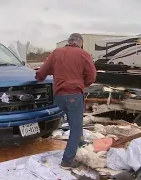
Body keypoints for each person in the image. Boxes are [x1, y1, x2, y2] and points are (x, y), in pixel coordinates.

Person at [35, 33, 97, 169]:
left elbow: (42, 72)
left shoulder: (56, 53)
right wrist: (81, 84)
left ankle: (79, 145)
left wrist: (37, 78)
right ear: (80, 42)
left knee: (67, 122)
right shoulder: (83, 54)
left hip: (58, 96)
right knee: (76, 127)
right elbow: (92, 76)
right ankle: (67, 161)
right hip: (74, 95)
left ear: (69, 42)